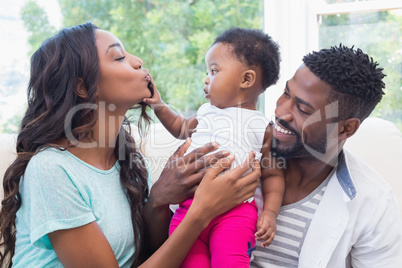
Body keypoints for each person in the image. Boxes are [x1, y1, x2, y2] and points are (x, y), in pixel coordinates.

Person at [0, 22, 261, 268]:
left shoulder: (128, 162)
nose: (137, 61)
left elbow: (148, 255)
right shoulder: (52, 170)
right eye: (119, 57)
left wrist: (158, 199)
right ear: (82, 86)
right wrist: (202, 211)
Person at [250, 44, 402, 267]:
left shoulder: (374, 203)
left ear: (345, 129)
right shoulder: (237, 154)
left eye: (303, 110)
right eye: (285, 93)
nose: (281, 112)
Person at [143, 27, 285, 267]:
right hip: (189, 209)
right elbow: (180, 128)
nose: (206, 79)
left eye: (214, 71)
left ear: (246, 79)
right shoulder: (206, 112)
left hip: (236, 214)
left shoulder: (262, 126)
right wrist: (158, 105)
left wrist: (270, 213)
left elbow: (273, 175)